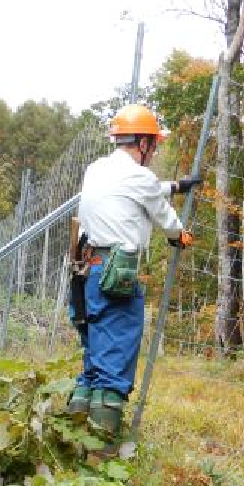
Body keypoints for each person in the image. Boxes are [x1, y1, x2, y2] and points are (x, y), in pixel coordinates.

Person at [66, 104, 201, 448]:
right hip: (117, 276)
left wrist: (177, 186)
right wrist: (180, 236)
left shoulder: (96, 169)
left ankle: (72, 439)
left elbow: (140, 188)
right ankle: (100, 455)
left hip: (86, 273)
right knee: (115, 360)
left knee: (94, 359)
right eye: (153, 145)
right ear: (142, 143)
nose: (154, 152)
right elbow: (164, 216)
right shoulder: (141, 177)